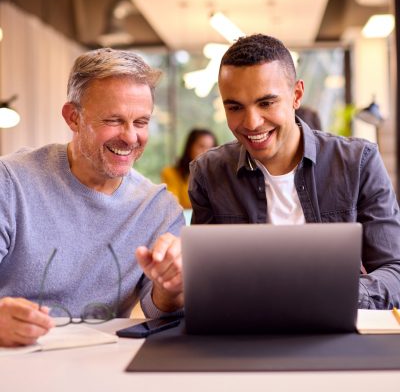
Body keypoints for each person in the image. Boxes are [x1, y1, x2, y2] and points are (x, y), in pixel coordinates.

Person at [188, 34, 400, 310]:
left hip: (337, 324)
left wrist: (329, 294)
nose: (251, 123)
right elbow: (204, 278)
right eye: (235, 107)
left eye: (266, 103)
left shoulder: (358, 162)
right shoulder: (208, 173)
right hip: (248, 330)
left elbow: (395, 272)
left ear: (296, 95)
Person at [0, 48, 184, 347]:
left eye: (141, 122)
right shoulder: (9, 181)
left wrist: (172, 286)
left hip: (101, 365)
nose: (130, 137)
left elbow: (161, 312)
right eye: (114, 120)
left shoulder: (158, 209)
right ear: (73, 117)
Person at [161, 128, 217, 209]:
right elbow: (172, 204)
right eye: (201, 146)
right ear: (189, 147)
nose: (206, 152)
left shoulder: (218, 174)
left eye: (211, 148)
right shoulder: (170, 172)